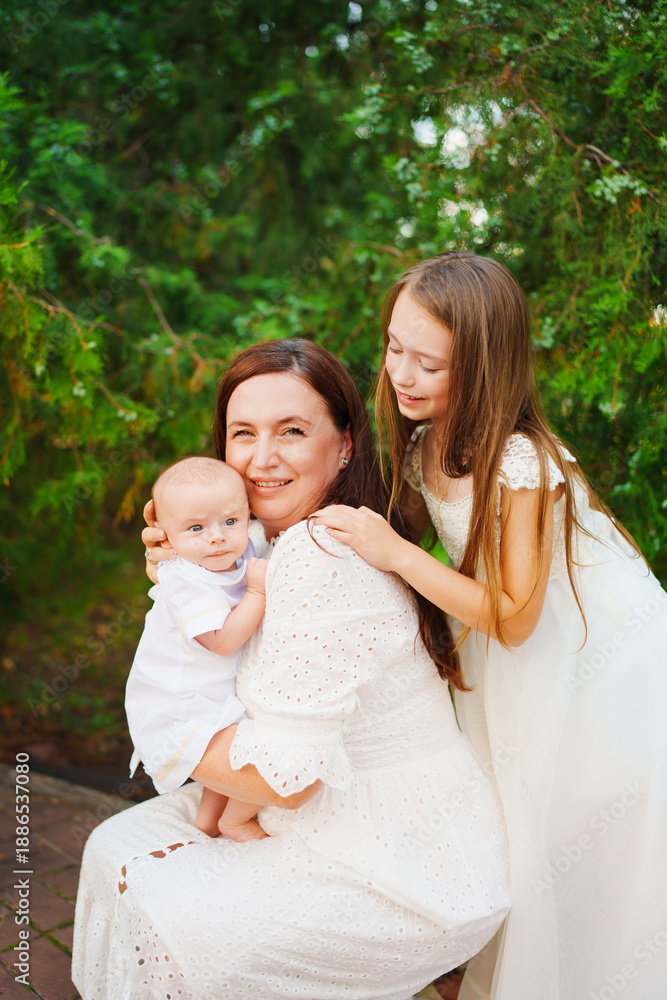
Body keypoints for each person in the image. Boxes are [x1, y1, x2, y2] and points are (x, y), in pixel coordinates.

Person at [72, 339, 510, 1000]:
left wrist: (165, 734)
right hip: (360, 807)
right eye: (243, 433)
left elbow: (288, 780)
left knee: (168, 907)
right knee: (116, 847)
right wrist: (184, 571)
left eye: (292, 432)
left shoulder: (322, 555)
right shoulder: (262, 537)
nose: (262, 459)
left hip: (399, 855)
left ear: (345, 445)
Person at [311, 252, 667, 1000]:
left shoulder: (519, 460)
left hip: (587, 664)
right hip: (512, 665)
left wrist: (399, 554)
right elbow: (381, 541)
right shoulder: (425, 442)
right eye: (394, 348)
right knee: (510, 827)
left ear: (483, 366)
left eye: (429, 363)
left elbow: (512, 618)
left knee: (581, 828)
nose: (402, 374)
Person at [125, 455, 269, 841]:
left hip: (210, 694)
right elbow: (222, 642)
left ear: (247, 515)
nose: (217, 536)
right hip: (179, 702)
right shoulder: (186, 579)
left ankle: (209, 825)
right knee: (253, 751)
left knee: (230, 747)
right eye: (196, 528)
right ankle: (234, 821)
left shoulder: (237, 551)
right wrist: (257, 593)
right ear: (165, 538)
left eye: (230, 521)